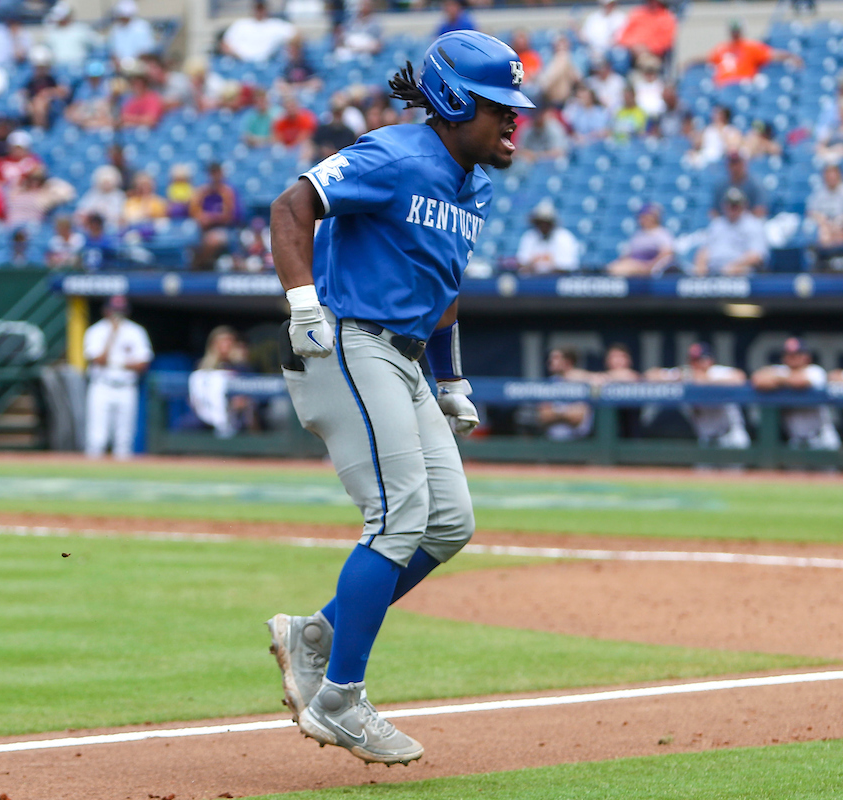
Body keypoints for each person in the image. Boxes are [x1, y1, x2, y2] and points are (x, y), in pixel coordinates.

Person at [265, 30, 533, 766]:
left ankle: (315, 634)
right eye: (498, 107)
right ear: (451, 102)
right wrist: (302, 304)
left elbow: (442, 290)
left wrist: (450, 381)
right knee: (400, 511)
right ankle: (340, 699)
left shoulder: (471, 183)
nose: (514, 120)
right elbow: (291, 208)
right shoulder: (395, 154)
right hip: (345, 337)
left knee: (448, 523)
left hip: (405, 355)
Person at [83, 295, 152, 459]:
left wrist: (116, 363)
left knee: (124, 440)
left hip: (126, 387)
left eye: (120, 310)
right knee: (96, 439)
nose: (117, 314)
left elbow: (143, 364)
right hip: (101, 386)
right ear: (105, 310)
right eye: (114, 310)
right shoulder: (96, 331)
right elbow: (99, 360)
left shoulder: (136, 331)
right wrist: (112, 335)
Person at [645, 342, 750, 449]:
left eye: (702, 359)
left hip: (731, 437)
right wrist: (677, 376)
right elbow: (650, 375)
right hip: (706, 440)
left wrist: (706, 381)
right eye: (694, 360)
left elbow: (740, 377)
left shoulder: (717, 372)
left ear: (710, 360)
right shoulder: (687, 375)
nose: (697, 364)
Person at [751, 337, 840, 450]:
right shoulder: (781, 371)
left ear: (807, 356)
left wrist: (778, 380)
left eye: (797, 353)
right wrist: (783, 378)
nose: (792, 357)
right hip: (795, 440)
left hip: (822, 438)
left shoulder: (815, 371)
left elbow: (800, 382)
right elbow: (757, 380)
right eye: (788, 354)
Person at [189, 326, 254, 438]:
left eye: (229, 341)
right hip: (206, 413)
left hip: (236, 415)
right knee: (187, 424)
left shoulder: (242, 367)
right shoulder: (202, 366)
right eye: (222, 341)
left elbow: (250, 395)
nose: (226, 345)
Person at [694, 188, 768, 276]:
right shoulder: (717, 224)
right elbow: (704, 250)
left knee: (742, 270)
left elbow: (756, 255)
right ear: (723, 205)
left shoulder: (753, 224)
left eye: (736, 205)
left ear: (744, 205)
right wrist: (700, 265)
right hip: (713, 272)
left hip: (739, 272)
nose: (732, 208)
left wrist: (733, 266)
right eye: (730, 204)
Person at [703, 21, 801, 87]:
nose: (735, 33)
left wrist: (791, 56)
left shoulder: (750, 46)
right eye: (733, 31)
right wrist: (690, 62)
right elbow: (707, 59)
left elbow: (772, 54)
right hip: (723, 86)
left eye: (736, 30)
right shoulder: (722, 48)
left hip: (742, 85)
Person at [807, 162, 843, 264]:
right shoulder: (819, 192)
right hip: (825, 228)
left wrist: (842, 220)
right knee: (823, 232)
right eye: (828, 174)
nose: (830, 177)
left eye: (833, 173)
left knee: (839, 231)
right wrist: (823, 221)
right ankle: (826, 263)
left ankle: (841, 261)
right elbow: (810, 213)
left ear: (839, 175)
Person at [537, 348, 594, 441]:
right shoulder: (549, 382)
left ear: (568, 361)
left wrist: (555, 413)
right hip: (551, 441)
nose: (550, 361)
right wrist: (566, 414)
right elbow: (544, 417)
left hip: (579, 442)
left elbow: (577, 417)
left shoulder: (581, 381)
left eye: (555, 358)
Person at [190, 162, 239, 269]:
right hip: (202, 229)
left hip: (224, 228)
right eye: (212, 173)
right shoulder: (202, 192)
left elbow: (228, 215)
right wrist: (202, 218)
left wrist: (210, 218)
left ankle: (199, 266)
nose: (215, 176)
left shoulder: (227, 192)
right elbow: (194, 211)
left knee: (213, 239)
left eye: (217, 173)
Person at [608, 202, 674, 276]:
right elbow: (627, 254)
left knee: (619, 269)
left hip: (649, 267)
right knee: (613, 267)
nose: (643, 219)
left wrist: (650, 266)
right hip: (634, 265)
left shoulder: (662, 233)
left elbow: (666, 254)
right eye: (642, 217)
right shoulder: (637, 234)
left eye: (646, 216)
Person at [516, 200, 580, 274]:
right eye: (540, 222)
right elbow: (522, 264)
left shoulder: (564, 238)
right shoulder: (529, 236)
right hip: (533, 282)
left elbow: (566, 268)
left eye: (546, 222)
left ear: (552, 223)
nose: (543, 226)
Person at [222, 0, 296, 63]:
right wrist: (238, 56)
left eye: (261, 8)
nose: (259, 11)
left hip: (269, 64)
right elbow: (225, 44)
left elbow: (296, 35)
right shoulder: (241, 24)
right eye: (257, 8)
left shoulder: (275, 25)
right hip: (242, 63)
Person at [42, 2, 101, 67]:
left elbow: (98, 44)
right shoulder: (52, 32)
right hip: (58, 68)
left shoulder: (81, 29)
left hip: (79, 67)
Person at [711, 152, 766, 217]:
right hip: (726, 222)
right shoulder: (721, 185)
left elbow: (760, 211)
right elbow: (713, 212)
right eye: (732, 164)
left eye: (738, 163)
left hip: (748, 222)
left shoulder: (755, 184)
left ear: (744, 164)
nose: (735, 167)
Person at [76, 165, 126, 231]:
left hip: (111, 228)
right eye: (104, 182)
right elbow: (81, 211)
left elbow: (121, 215)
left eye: (108, 182)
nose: (106, 184)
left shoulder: (119, 195)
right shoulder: (92, 193)